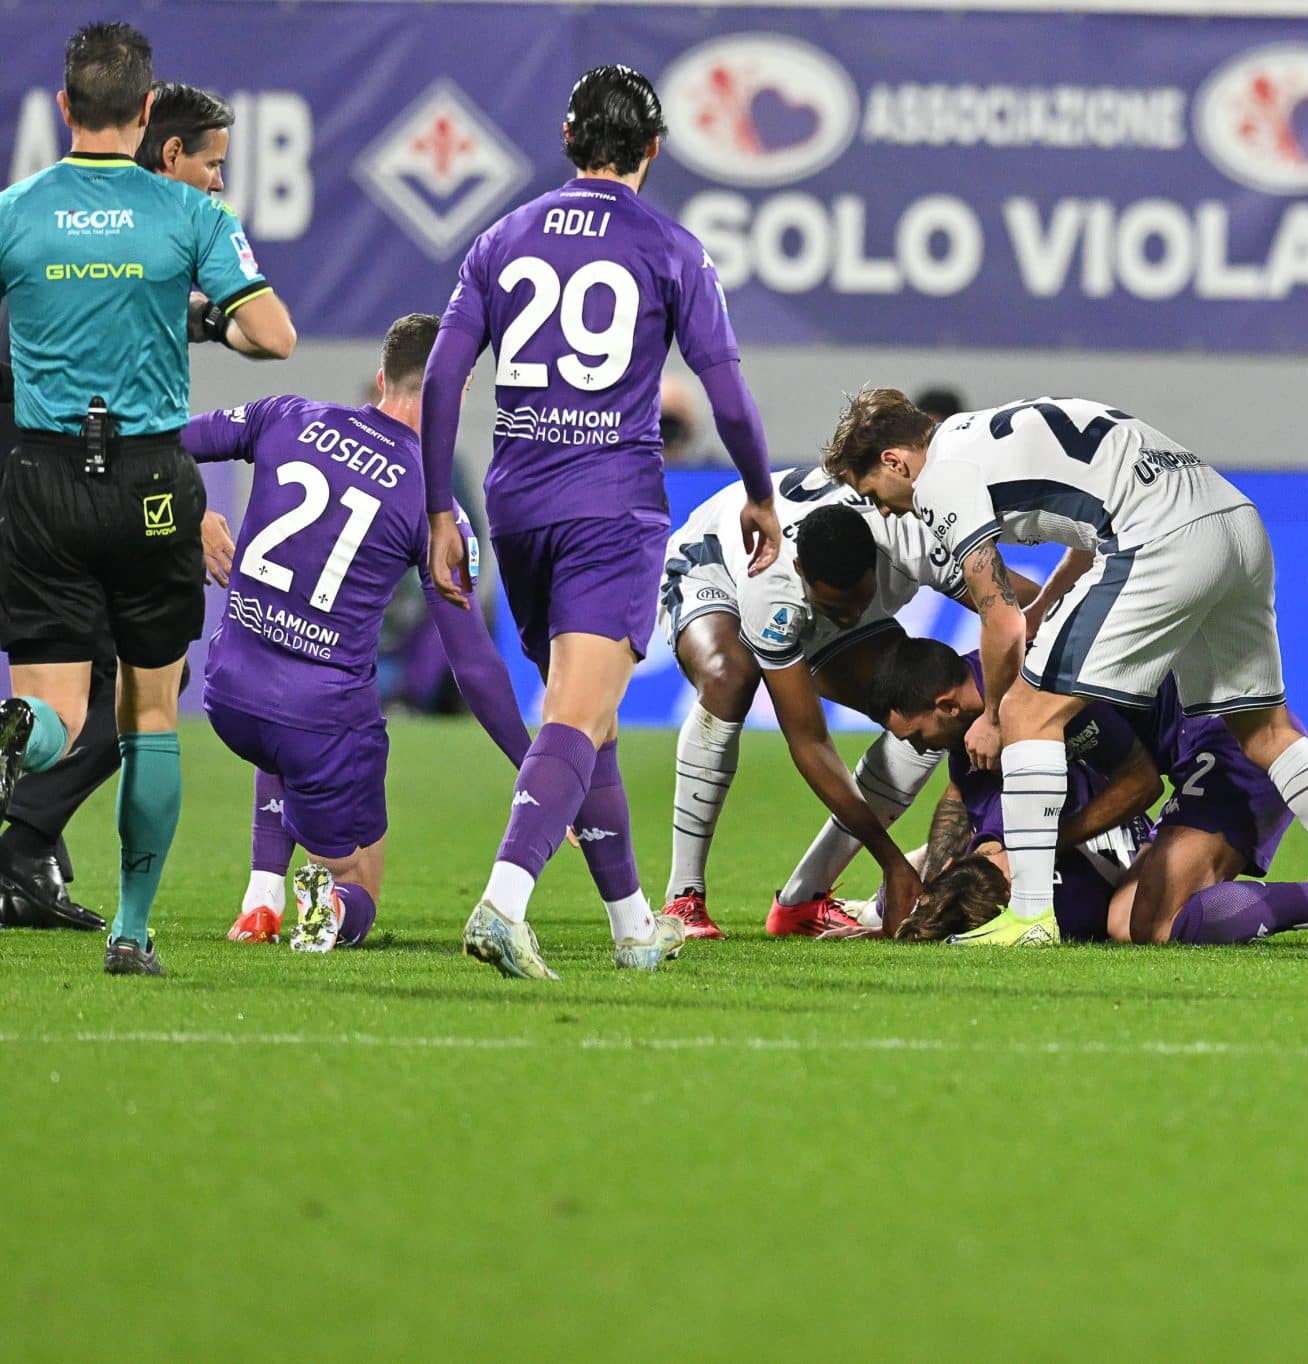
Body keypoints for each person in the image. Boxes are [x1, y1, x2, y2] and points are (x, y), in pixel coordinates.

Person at [420, 64, 778, 978]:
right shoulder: (671, 247)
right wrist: (758, 491)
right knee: (578, 713)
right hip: (610, 504)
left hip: (519, 502)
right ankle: (504, 901)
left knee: (596, 718)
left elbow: (439, 379)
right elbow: (727, 394)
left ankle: (630, 926)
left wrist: (436, 510)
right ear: (653, 150)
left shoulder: (501, 238)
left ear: (570, 142)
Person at [827, 390, 1308, 951]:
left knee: (1029, 712)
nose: (883, 508)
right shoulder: (991, 430)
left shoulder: (938, 480)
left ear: (895, 461)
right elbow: (1088, 530)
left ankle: (1029, 916)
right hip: (1234, 518)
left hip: (1161, 538)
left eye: (874, 492)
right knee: (1266, 731)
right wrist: (1046, 601)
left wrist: (998, 718)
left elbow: (999, 624)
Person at [0, 21, 295, 975]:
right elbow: (275, 336)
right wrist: (202, 316)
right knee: (149, 715)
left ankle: (18, 731)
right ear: (142, 112)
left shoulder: (16, 210)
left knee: (57, 718)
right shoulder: (190, 215)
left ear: (61, 110)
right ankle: (132, 931)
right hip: (149, 484)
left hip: (40, 476)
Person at [183, 315, 554, 953]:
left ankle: (261, 899)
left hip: (228, 692)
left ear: (381, 377)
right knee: (359, 876)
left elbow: (162, 442)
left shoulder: (286, 415)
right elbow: (474, 664)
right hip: (318, 719)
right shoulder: (438, 511)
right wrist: (533, 765)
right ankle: (327, 909)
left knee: (285, 733)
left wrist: (191, 509)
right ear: (455, 392)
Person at [657, 468, 1029, 938]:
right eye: (838, 611)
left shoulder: (906, 535)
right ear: (801, 575)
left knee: (920, 713)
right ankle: (684, 895)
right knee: (730, 677)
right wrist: (893, 862)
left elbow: (1022, 614)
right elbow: (809, 741)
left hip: (823, 567)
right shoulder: (773, 588)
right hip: (713, 565)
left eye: (860, 602)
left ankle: (801, 901)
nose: (852, 618)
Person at [873, 639, 1162, 943]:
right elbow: (959, 792)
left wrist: (1037, 848)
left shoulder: (1044, 694)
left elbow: (1141, 782)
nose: (918, 750)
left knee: (1131, 926)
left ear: (948, 705)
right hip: (1060, 828)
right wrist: (932, 882)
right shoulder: (965, 716)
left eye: (917, 736)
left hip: (1193, 746)